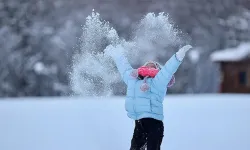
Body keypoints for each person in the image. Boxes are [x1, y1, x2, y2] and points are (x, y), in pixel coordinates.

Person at [104, 44, 192, 150]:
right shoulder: (133, 80)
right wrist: (117, 54)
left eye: (153, 66)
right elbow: (124, 67)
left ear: (158, 69)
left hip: (154, 124)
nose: (150, 67)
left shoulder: (159, 81)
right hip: (139, 123)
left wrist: (178, 57)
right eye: (147, 65)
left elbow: (168, 70)